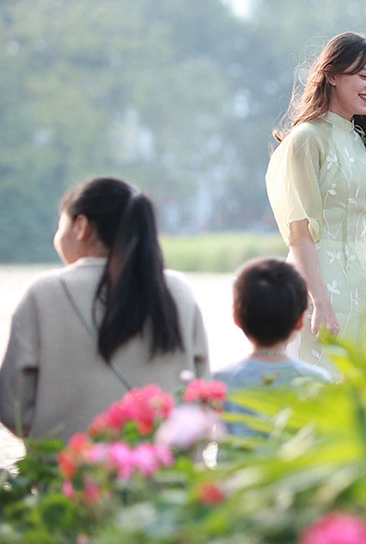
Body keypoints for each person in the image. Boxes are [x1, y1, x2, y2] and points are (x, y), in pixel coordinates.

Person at [0, 177, 210, 442]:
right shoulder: (178, 291)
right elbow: (203, 395)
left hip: (69, 476)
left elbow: (11, 408)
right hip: (166, 473)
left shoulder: (44, 293)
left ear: (81, 227)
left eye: (60, 225)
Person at [265, 32, 366, 372]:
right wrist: (320, 301)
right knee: (314, 390)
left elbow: (363, 230)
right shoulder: (306, 140)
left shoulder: (363, 145)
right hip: (316, 287)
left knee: (358, 402)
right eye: (364, 76)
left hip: (361, 289)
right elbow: (299, 234)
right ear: (331, 75)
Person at [213, 258, 331, 438]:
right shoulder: (318, 381)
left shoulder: (220, 381)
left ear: (236, 317)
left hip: (236, 467)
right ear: (300, 322)